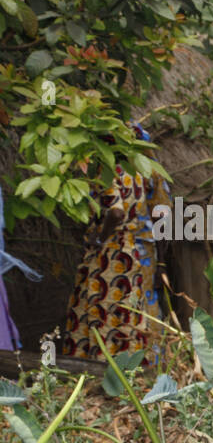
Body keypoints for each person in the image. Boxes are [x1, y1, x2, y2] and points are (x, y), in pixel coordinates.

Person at [63, 123, 170, 361]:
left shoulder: (107, 172)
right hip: (130, 250)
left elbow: (116, 212)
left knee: (103, 305)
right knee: (126, 309)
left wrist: (99, 238)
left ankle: (100, 362)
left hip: (110, 252)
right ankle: (130, 362)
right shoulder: (137, 174)